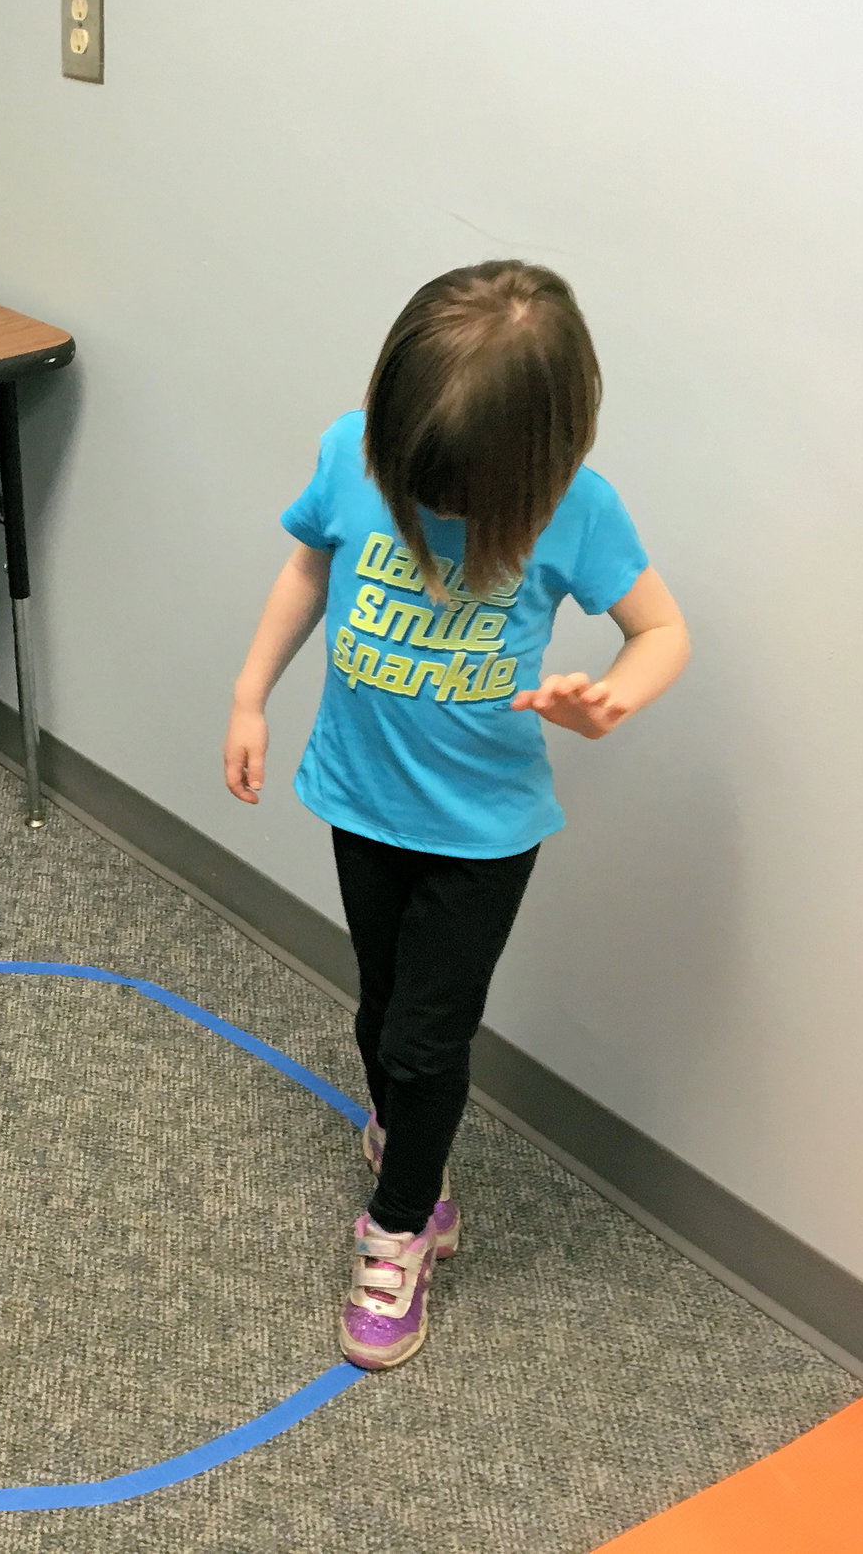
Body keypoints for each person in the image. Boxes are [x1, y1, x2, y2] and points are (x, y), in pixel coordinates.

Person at [222, 261, 689, 1369]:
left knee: (426, 1044)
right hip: (358, 793)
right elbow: (306, 566)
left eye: (455, 503)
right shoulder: (353, 453)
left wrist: (609, 699)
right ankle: (410, 1151)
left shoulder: (578, 508)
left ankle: (401, 1226)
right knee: (381, 1012)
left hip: (481, 832)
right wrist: (249, 694)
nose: (430, 514)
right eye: (416, 489)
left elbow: (662, 630)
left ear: (535, 467)